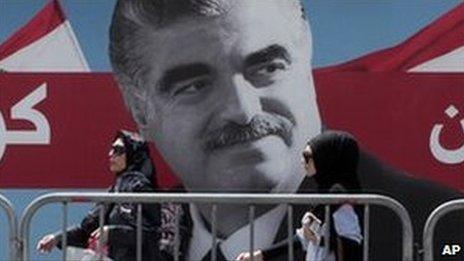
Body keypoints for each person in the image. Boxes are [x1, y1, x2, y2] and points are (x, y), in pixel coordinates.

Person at [108, 1, 463, 260]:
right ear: (140, 109)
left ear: (306, 54)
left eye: (267, 67)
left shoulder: (439, 226)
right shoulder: (136, 236)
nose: (244, 111)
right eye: (194, 86)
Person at [237, 131, 363, 261]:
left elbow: (352, 245)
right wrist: (260, 255)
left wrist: (320, 240)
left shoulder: (341, 202)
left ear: (325, 158)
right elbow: (303, 237)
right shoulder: (326, 197)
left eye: (308, 157)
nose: (303, 162)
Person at [36, 130, 162, 261]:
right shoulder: (116, 188)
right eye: (111, 149)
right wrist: (57, 238)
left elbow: (149, 235)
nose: (111, 154)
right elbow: (88, 228)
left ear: (133, 155)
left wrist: (111, 232)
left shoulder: (141, 188)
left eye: (118, 150)